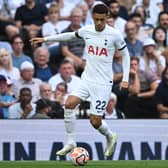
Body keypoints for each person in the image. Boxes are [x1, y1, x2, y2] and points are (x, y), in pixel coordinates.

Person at [30, 3, 130, 157]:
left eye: (102, 20)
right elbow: (69, 35)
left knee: (95, 121)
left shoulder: (114, 34)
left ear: (107, 18)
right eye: (96, 19)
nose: (98, 23)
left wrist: (125, 78)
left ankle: (110, 136)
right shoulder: (87, 30)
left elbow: (125, 55)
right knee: (69, 104)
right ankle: (71, 142)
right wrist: (45, 39)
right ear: (92, 17)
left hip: (103, 84)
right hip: (87, 79)